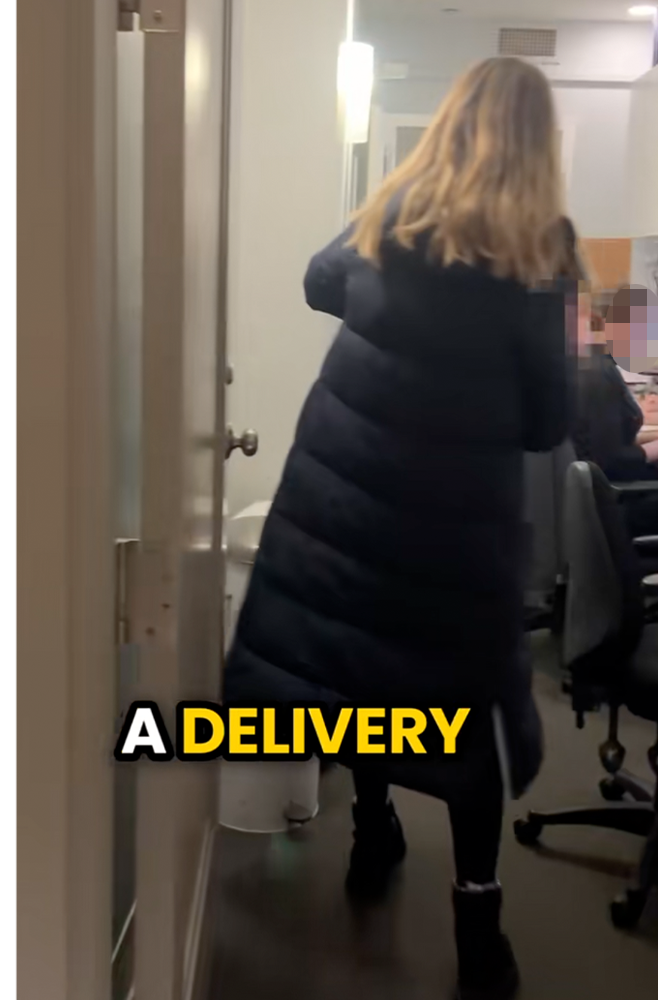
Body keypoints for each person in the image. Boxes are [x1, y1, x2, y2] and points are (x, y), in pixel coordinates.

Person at [222, 56, 579, 1000]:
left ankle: (370, 827)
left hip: (341, 503)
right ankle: (478, 916)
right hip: (449, 525)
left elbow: (316, 284)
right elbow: (548, 420)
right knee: (457, 718)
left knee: (348, 669)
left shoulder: (390, 215)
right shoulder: (540, 248)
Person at [571, 286, 658, 536]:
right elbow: (610, 461)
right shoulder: (598, 376)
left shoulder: (598, 367)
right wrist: (653, 449)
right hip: (625, 499)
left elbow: (608, 438)